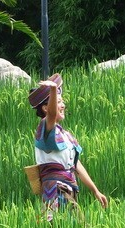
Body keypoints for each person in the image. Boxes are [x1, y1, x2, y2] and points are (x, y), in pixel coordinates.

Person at [28, 74, 109, 220]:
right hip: (56, 190)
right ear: (46, 108)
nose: (63, 105)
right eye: (58, 102)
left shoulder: (64, 135)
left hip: (69, 188)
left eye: (62, 101)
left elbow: (76, 165)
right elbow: (52, 115)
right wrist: (53, 90)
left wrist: (95, 191)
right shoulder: (45, 128)